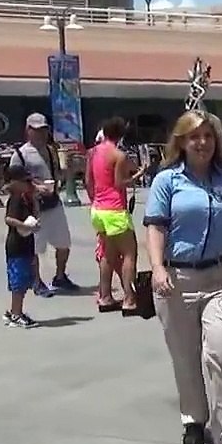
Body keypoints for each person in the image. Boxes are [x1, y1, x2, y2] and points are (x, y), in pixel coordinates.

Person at [145, 109, 222, 444]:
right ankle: (194, 418)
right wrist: (157, 267)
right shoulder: (167, 181)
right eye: (195, 136)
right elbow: (156, 226)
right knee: (185, 353)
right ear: (182, 140)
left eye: (208, 136)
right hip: (177, 278)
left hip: (220, 276)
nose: (202, 143)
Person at [9, 113, 77, 297]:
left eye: (44, 130)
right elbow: (12, 184)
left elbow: (58, 174)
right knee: (36, 249)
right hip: (33, 208)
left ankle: (60, 276)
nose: (41, 134)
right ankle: (37, 281)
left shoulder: (51, 150)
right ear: (28, 130)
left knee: (64, 243)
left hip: (54, 203)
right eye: (37, 130)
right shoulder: (20, 154)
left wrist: (67, 170)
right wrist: (34, 187)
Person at [87, 117, 144, 313]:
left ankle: (105, 297)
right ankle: (129, 299)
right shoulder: (118, 155)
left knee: (107, 255)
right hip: (115, 209)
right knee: (129, 253)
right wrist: (138, 175)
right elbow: (120, 183)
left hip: (98, 209)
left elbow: (89, 180)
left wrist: (94, 199)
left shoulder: (93, 152)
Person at [3, 165, 40, 328]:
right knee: (18, 282)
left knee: (24, 281)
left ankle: (15, 311)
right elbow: (9, 219)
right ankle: (15, 314)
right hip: (16, 246)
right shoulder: (15, 199)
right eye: (25, 181)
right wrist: (26, 226)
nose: (28, 184)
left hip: (26, 244)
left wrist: (35, 199)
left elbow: (36, 215)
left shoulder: (26, 198)